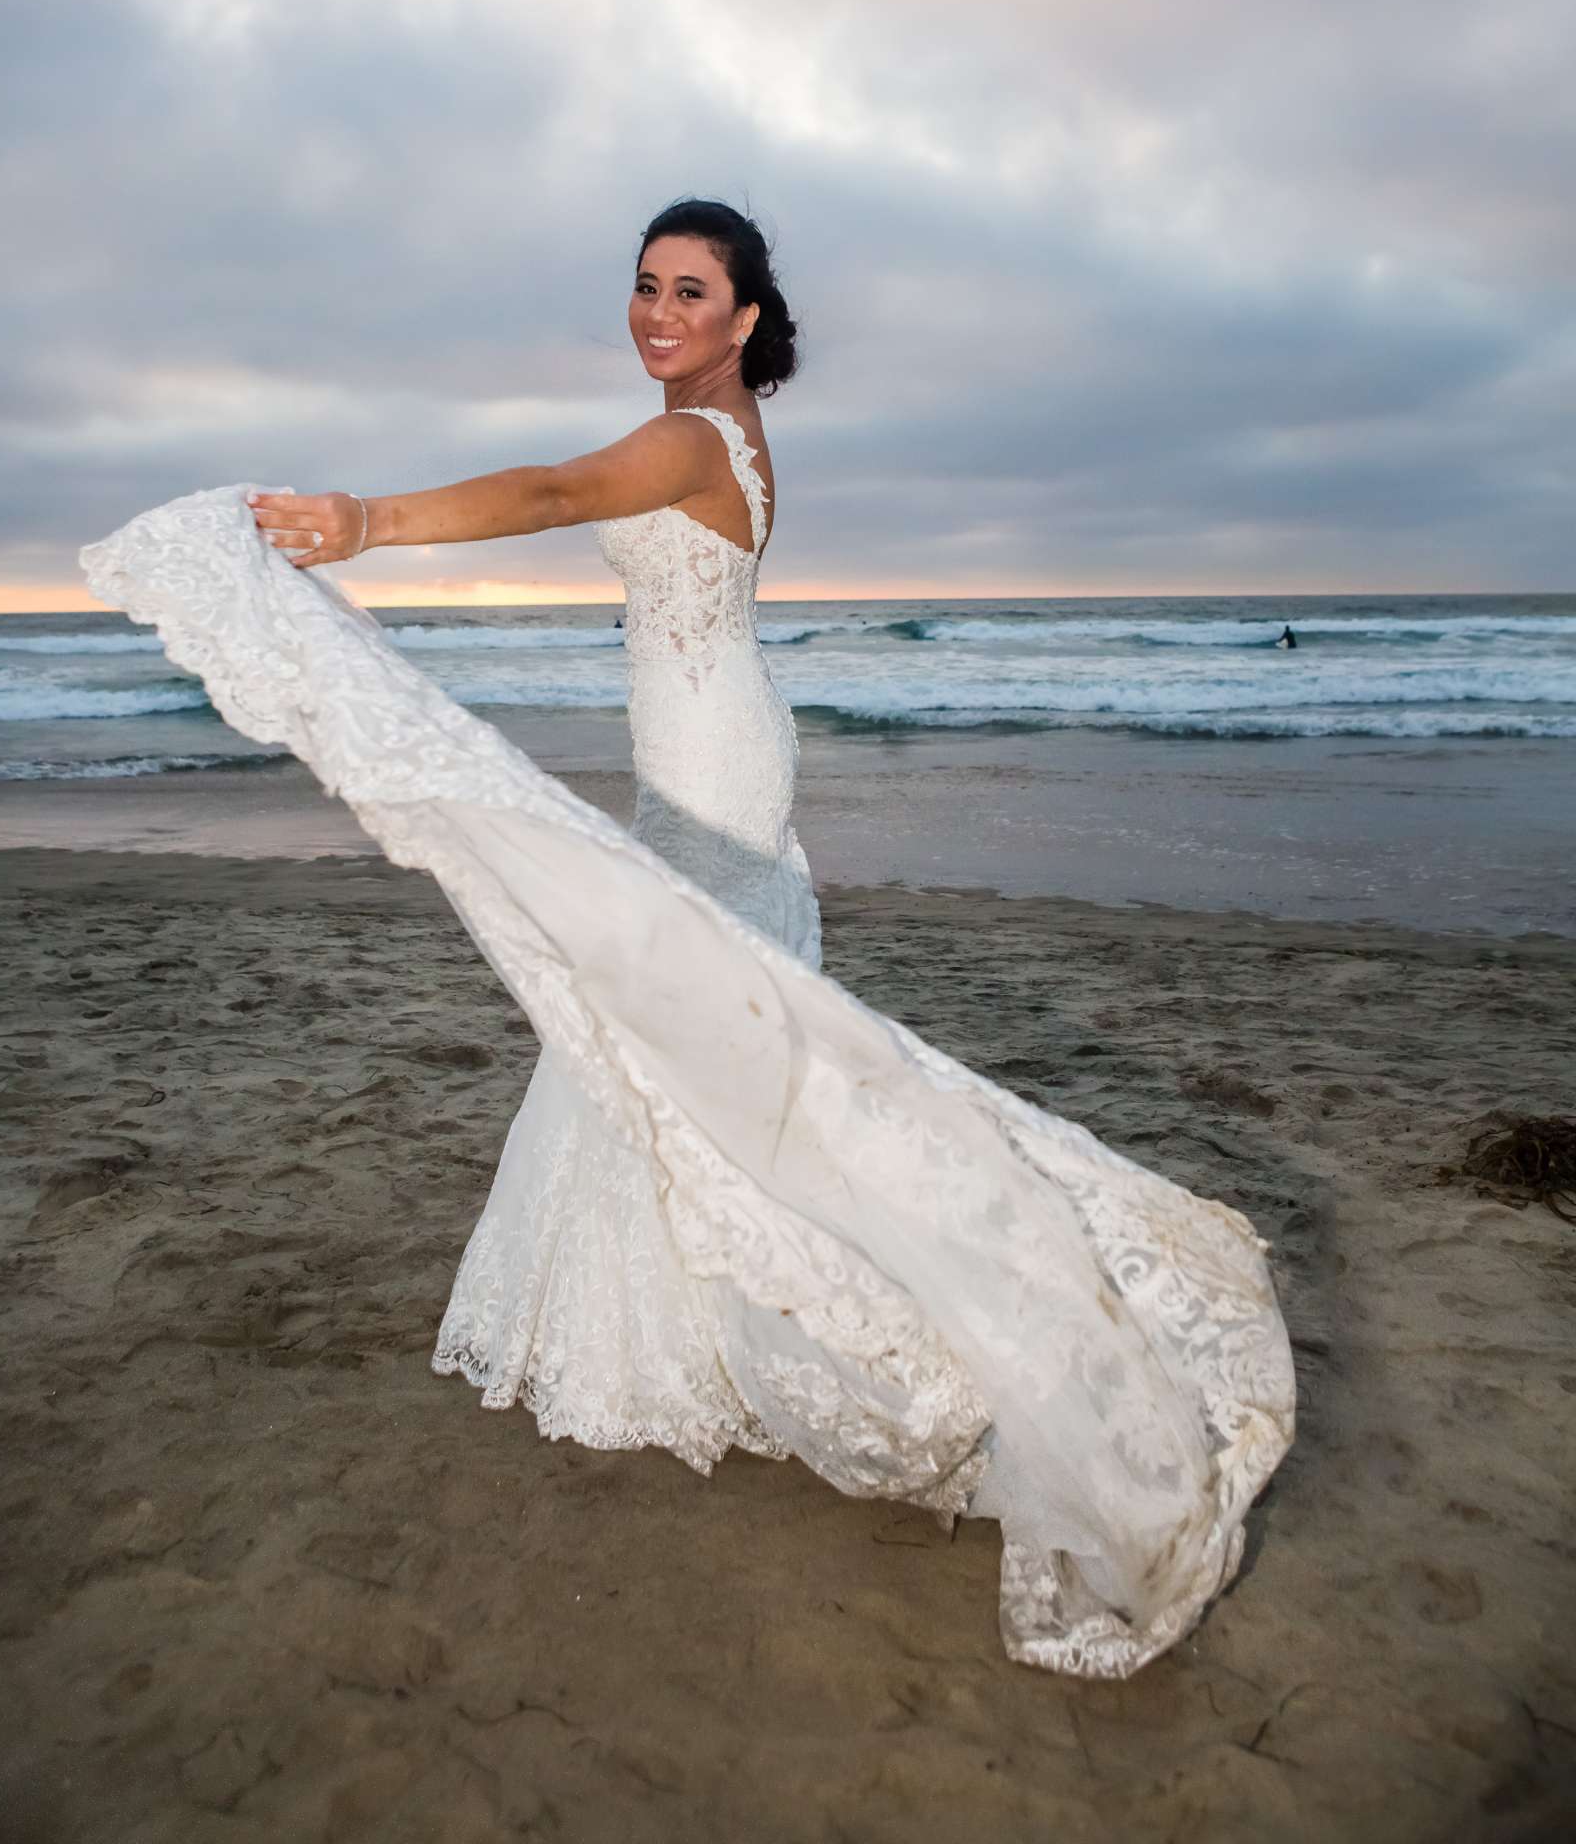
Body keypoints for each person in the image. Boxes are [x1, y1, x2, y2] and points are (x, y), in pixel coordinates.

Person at [80, 197, 1294, 1679]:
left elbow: (548, 489)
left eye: (692, 292)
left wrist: (366, 523)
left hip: (712, 784)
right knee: (695, 1039)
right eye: (644, 286)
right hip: (719, 754)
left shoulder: (686, 442)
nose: (658, 311)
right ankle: (685, 1300)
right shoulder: (724, 441)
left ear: (745, 323)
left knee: (698, 1036)